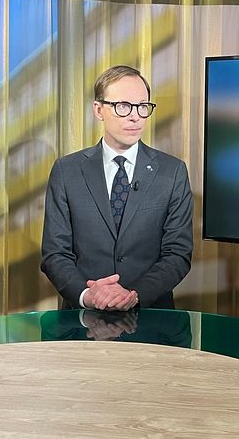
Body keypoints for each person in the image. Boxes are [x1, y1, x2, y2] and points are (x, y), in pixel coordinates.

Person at [41, 65, 193, 310]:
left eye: (142, 107)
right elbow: (55, 254)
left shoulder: (172, 172)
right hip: (81, 321)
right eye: (123, 106)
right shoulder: (66, 171)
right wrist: (87, 295)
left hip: (151, 319)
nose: (135, 116)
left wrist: (134, 294)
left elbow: (178, 254)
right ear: (99, 110)